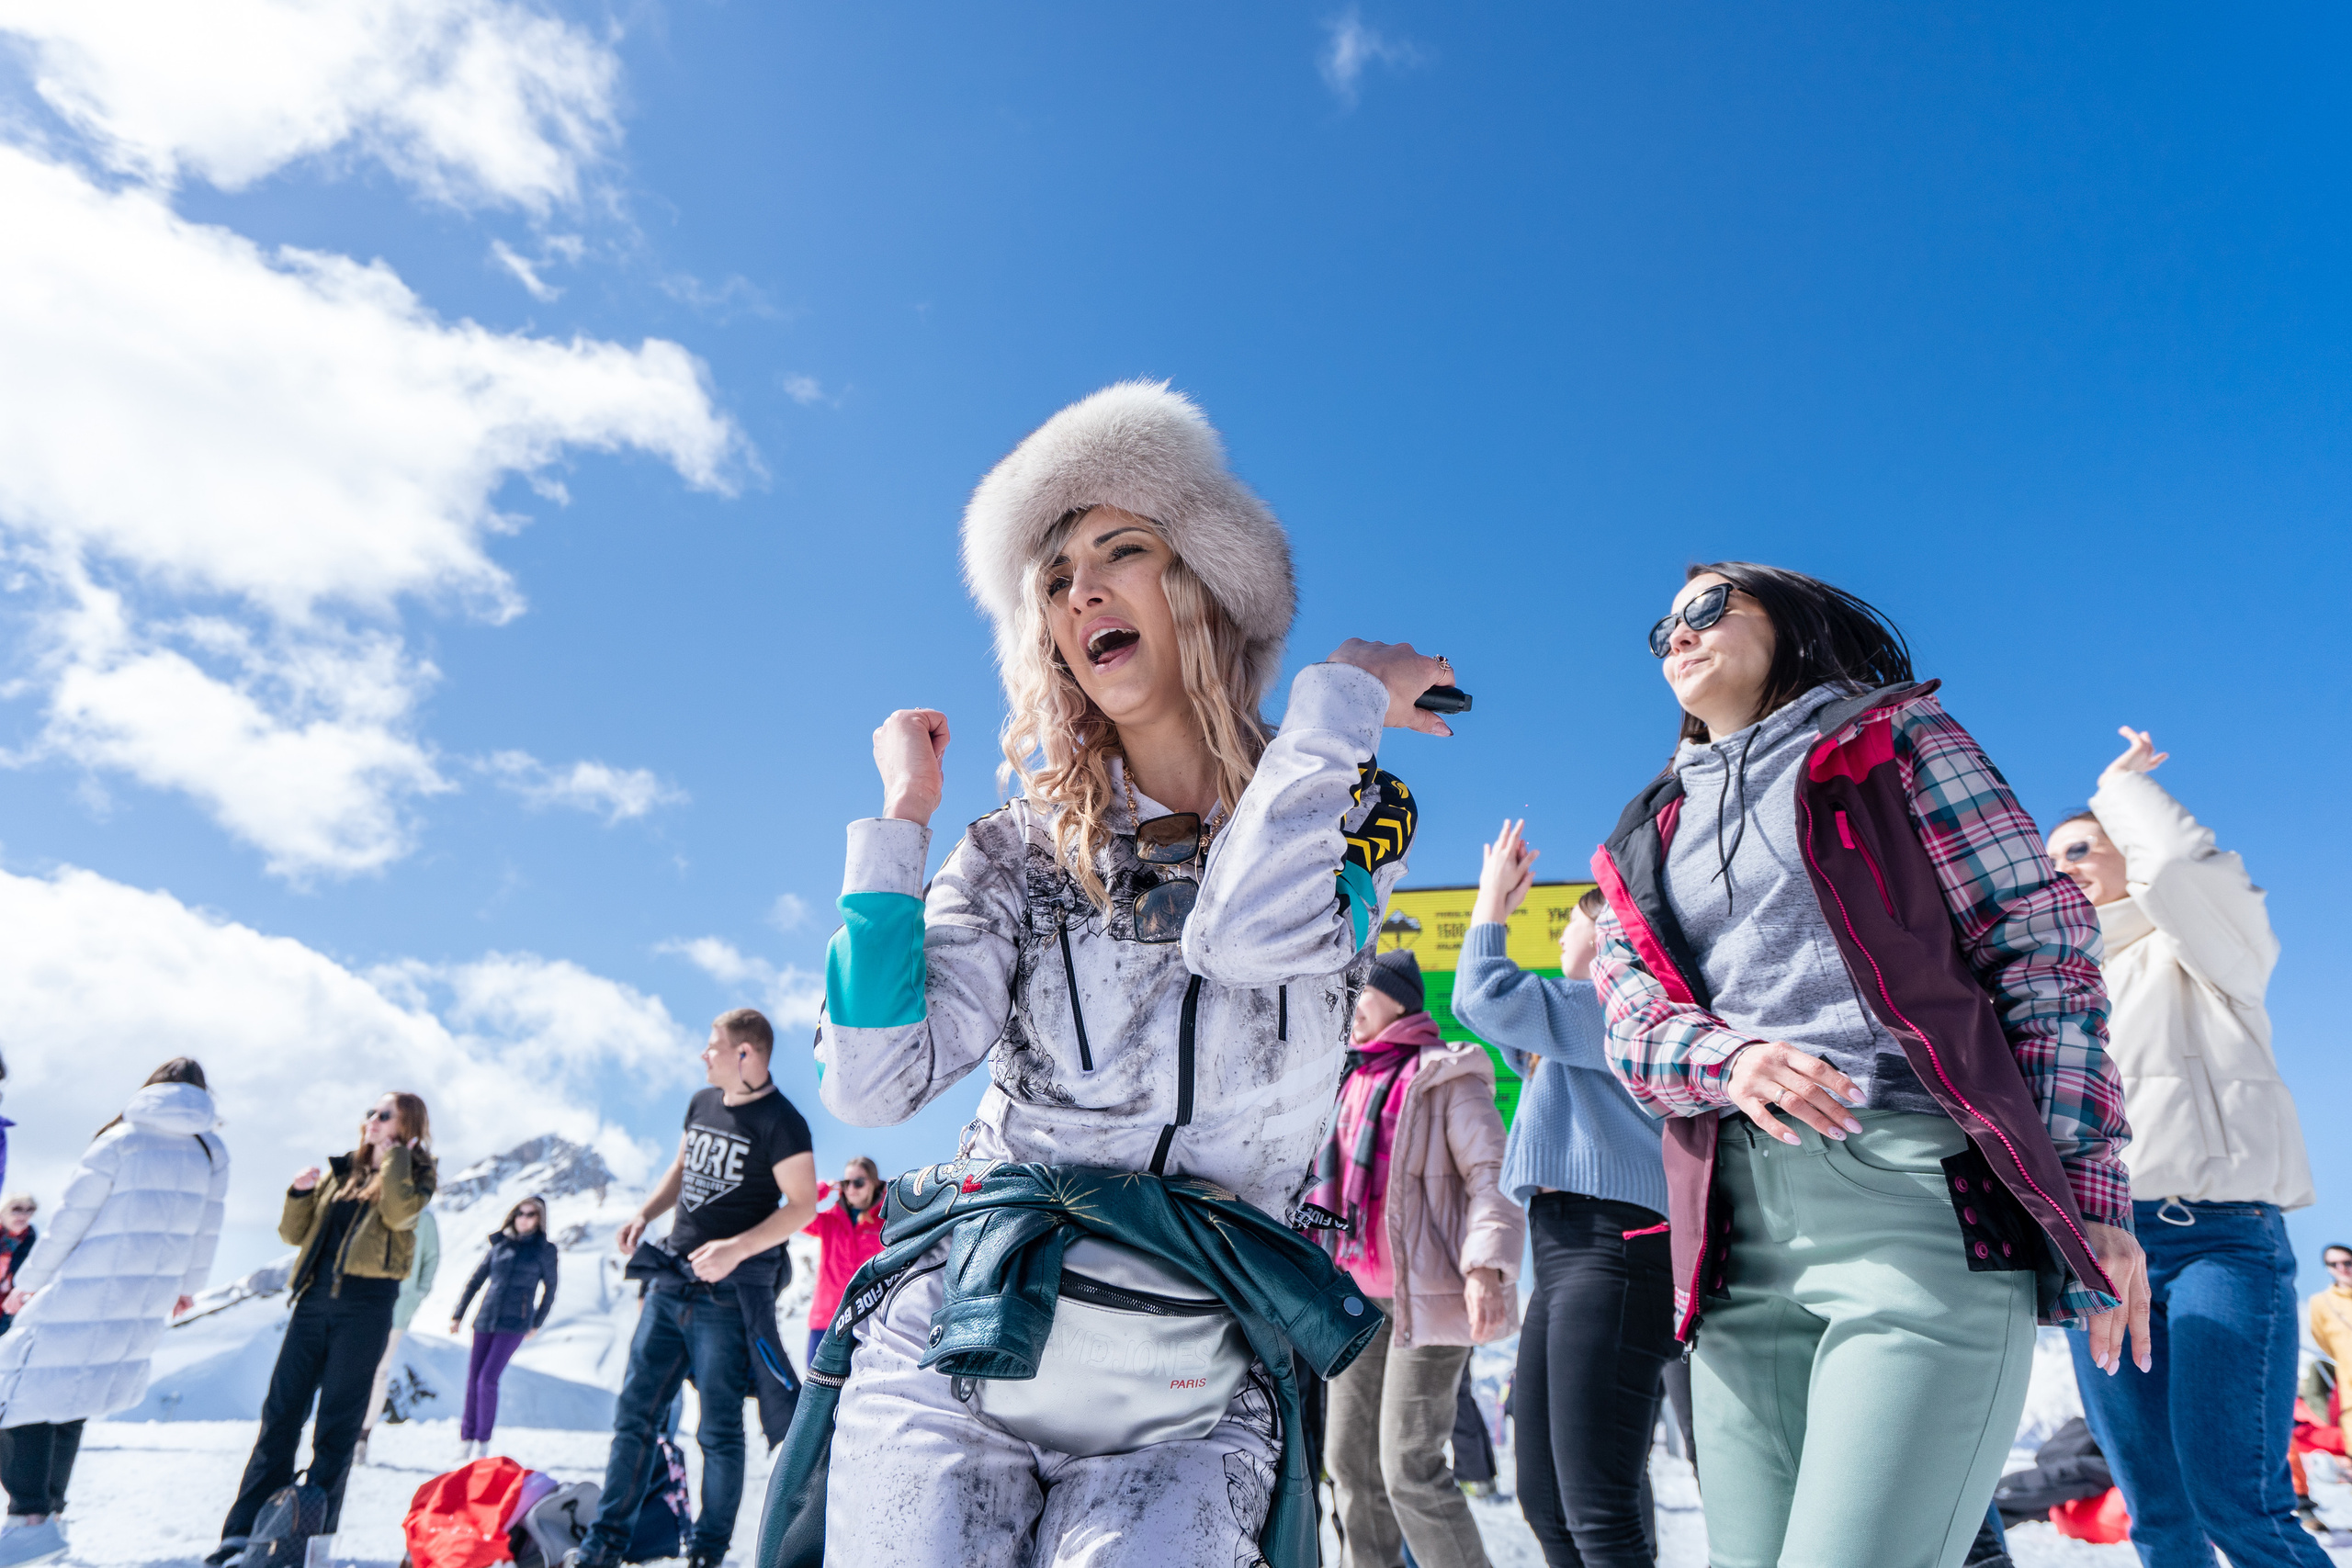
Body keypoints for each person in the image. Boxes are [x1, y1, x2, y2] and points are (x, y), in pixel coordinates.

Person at [808, 381, 1445, 1568]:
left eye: (1122, 552)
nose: (1081, 589)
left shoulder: (1349, 810)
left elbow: (1249, 934)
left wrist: (1336, 704)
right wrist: (900, 826)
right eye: (1053, 580)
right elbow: (875, 1079)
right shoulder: (1013, 847)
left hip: (1194, 1377)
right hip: (966, 1334)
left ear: (1204, 582)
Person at [1589, 562, 2150, 1568]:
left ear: (1789, 618)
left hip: (1915, 1213)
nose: (1675, 637)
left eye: (1706, 609)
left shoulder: (1890, 742)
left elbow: (2041, 951)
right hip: (1733, 1248)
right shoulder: (1646, 831)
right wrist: (1726, 1055)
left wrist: (2094, 1195)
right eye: (1661, 627)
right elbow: (1632, 1027)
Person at [2044, 735, 2325, 1567]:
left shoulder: (2203, 952)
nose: (2066, 870)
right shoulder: (2050, 988)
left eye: (2083, 848)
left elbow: (2174, 871)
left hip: (2214, 1240)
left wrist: (2117, 788)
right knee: (2157, 1514)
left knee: (2240, 1507)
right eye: (2051, 860)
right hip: (2096, 1256)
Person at [1453, 833, 1672, 1568]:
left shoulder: (1613, 1011)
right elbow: (1501, 1017)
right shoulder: (1571, 1034)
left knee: (1598, 1505)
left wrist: (1489, 901)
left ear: (1610, 933)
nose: (1561, 935)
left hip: (1617, 1246)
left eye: (1571, 922)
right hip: (1569, 1251)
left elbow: (1482, 992)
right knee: (1548, 1500)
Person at [569, 1010, 816, 1568]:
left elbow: (802, 1206)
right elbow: (681, 1169)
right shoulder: (702, 1104)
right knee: (635, 1416)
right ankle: (603, 1546)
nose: (704, 1056)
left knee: (718, 1431)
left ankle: (707, 1552)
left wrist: (736, 1250)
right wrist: (645, 1212)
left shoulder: (783, 1122)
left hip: (726, 1300)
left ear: (746, 1054)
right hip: (669, 1285)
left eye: (713, 1047)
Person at [1312, 948, 1522, 1568]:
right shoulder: (1344, 1078)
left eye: (1361, 992)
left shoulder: (1445, 1074)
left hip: (1429, 1294)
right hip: (1355, 1296)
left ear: (1397, 996)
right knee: (1349, 1461)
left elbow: (1493, 1174)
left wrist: (1486, 1266)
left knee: (1409, 1463)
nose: (1349, 1004)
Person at [0, 1059, 226, 1564]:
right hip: (144, 1295)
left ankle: (28, 1518)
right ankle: (50, 1518)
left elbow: (69, 1221)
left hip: (84, 1285)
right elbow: (210, 1224)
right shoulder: (211, 1148)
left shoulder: (122, 1138)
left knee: (18, 1388)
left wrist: (27, 1284)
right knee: (74, 1392)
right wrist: (188, 1285)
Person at [211, 1092, 435, 1564]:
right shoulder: (342, 1171)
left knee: (337, 1426)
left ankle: (314, 1541)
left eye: (384, 1115)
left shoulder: (416, 1174)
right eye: (370, 1112)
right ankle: (242, 1533)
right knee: (281, 1416)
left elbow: (398, 1214)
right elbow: (294, 1235)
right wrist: (298, 1194)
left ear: (406, 1125)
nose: (371, 1120)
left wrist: (395, 1156)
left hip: (367, 1307)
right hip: (313, 1303)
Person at [449, 1195, 559, 1459]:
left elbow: (551, 1289)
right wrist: (458, 1314)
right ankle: (466, 1438)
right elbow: (475, 1281)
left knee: (488, 1380)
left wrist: (536, 1322)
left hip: (515, 1323)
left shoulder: (544, 1250)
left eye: (531, 1214)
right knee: (473, 1378)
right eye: (520, 1212)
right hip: (486, 1319)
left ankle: (482, 1442)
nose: (524, 1218)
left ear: (539, 1219)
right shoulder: (500, 1245)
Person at [353, 1200, 438, 1467]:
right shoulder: (376, 1208)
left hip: (398, 1309)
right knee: (351, 1369)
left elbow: (431, 1258)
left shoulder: (424, 1219)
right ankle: (342, 1433)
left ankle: (361, 1438)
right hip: (362, 1303)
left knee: (379, 1373)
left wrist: (417, 1294)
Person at [803, 1158, 886, 1368]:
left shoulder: (886, 1222)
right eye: (846, 1182)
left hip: (868, 1323)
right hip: (826, 1321)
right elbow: (799, 1216)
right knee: (817, 1391)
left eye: (858, 1182)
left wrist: (889, 1193)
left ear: (875, 1183)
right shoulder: (830, 1220)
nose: (851, 1189)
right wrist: (821, 1190)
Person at [0, 1200, 37, 1337]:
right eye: (16, 1209)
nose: (23, 1215)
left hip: (7, 1309)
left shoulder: (29, 1240)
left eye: (30, 1210)